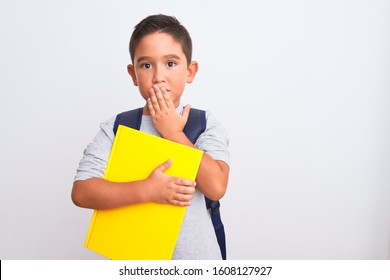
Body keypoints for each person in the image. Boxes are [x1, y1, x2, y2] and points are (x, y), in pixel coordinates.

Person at [72, 14, 230, 260]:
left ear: (190, 71)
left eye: (170, 63)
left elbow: (216, 187)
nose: (158, 76)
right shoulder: (118, 127)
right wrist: (146, 190)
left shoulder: (203, 123)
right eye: (146, 65)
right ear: (133, 74)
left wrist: (173, 133)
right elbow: (82, 192)